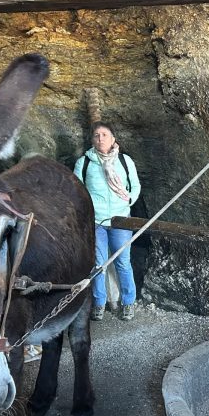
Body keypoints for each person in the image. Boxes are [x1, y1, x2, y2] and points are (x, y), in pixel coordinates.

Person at [74, 121, 141, 321]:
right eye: (96, 135)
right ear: (92, 140)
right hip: (96, 222)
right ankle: (99, 303)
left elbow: (135, 185)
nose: (100, 138)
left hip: (120, 220)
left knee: (123, 262)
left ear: (113, 139)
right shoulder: (84, 163)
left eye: (104, 134)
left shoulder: (125, 161)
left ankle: (128, 302)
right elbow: (77, 192)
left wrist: (129, 199)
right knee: (98, 264)